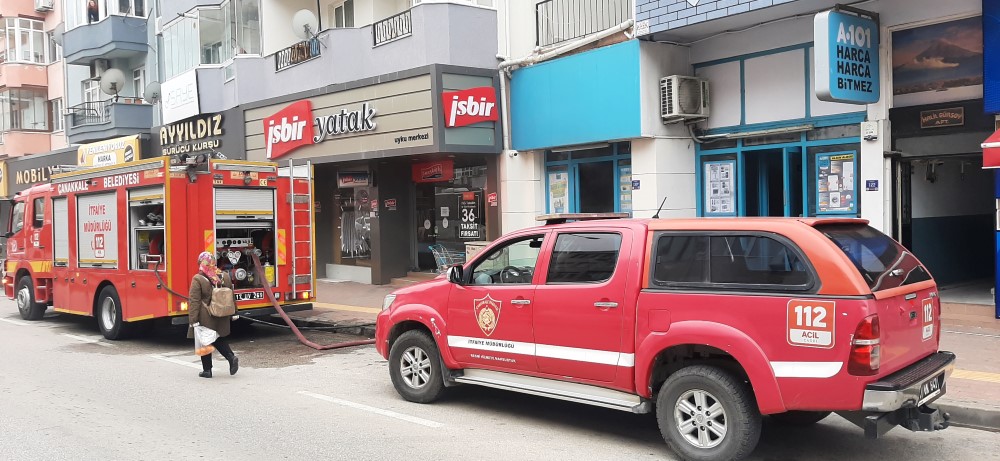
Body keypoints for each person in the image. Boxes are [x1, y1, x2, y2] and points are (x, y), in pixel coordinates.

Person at [187, 251, 239, 379]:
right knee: (216, 337)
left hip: (206, 315)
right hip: (222, 313)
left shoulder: (198, 279)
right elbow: (231, 296)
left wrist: (193, 320)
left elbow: (194, 301)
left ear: (201, 262)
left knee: (204, 341)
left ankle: (207, 370)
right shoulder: (224, 276)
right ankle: (231, 357)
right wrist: (235, 312)